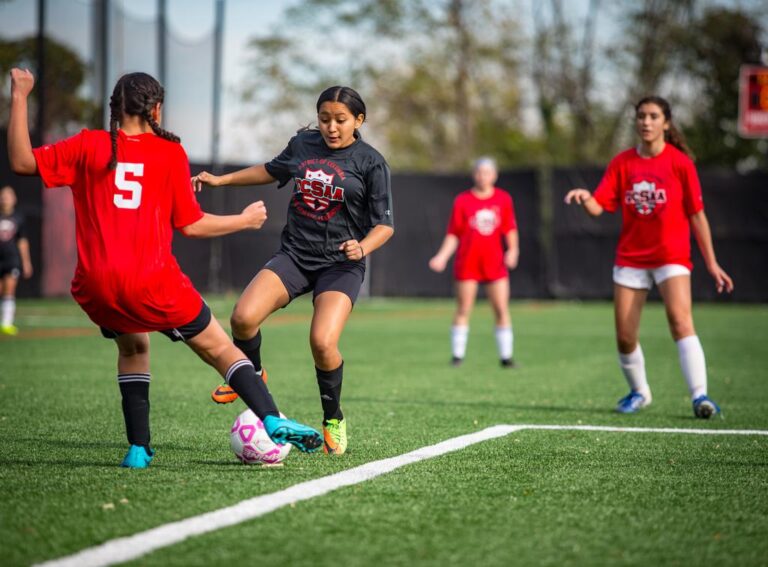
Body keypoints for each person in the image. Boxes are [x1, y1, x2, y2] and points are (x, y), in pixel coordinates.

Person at [7, 68, 322, 467]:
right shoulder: (169, 152)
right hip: (151, 281)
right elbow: (190, 225)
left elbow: (20, 161)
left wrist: (19, 94)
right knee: (221, 349)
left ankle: (138, 448)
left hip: (97, 285)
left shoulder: (87, 146)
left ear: (114, 108)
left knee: (134, 347)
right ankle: (272, 419)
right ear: (156, 109)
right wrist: (242, 220)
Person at [192, 86, 394, 456]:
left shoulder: (371, 162)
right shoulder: (303, 145)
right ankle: (251, 375)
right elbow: (271, 170)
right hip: (296, 256)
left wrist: (361, 246)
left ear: (358, 121)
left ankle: (333, 416)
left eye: (340, 119)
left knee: (322, 343)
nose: (331, 127)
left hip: (340, 265)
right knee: (242, 318)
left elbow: (385, 225)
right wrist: (222, 180)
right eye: (325, 118)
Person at [564, 95, 734, 419]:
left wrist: (711, 263)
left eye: (653, 116)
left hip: (671, 256)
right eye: (641, 116)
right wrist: (587, 198)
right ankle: (640, 392)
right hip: (631, 259)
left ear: (666, 123)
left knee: (681, 322)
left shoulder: (680, 163)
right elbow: (600, 206)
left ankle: (700, 396)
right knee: (625, 336)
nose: (646, 122)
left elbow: (697, 216)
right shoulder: (623, 162)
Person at [428, 157, 519, 368]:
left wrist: (513, 250)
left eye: (487, 172)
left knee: (501, 309)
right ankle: (457, 357)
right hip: (467, 262)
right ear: (473, 174)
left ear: (494, 175)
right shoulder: (463, 200)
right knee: (463, 308)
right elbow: (454, 233)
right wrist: (442, 256)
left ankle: (506, 358)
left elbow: (510, 228)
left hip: (494, 263)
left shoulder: (503, 199)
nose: (483, 176)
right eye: (479, 172)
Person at [0, 185, 33, 335]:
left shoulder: (18, 218)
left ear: (14, 199)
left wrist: (26, 262)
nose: (5, 199)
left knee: (9, 290)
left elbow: (22, 241)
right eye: (3, 196)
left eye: (8, 196)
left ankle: (6, 324)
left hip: (11, 259)